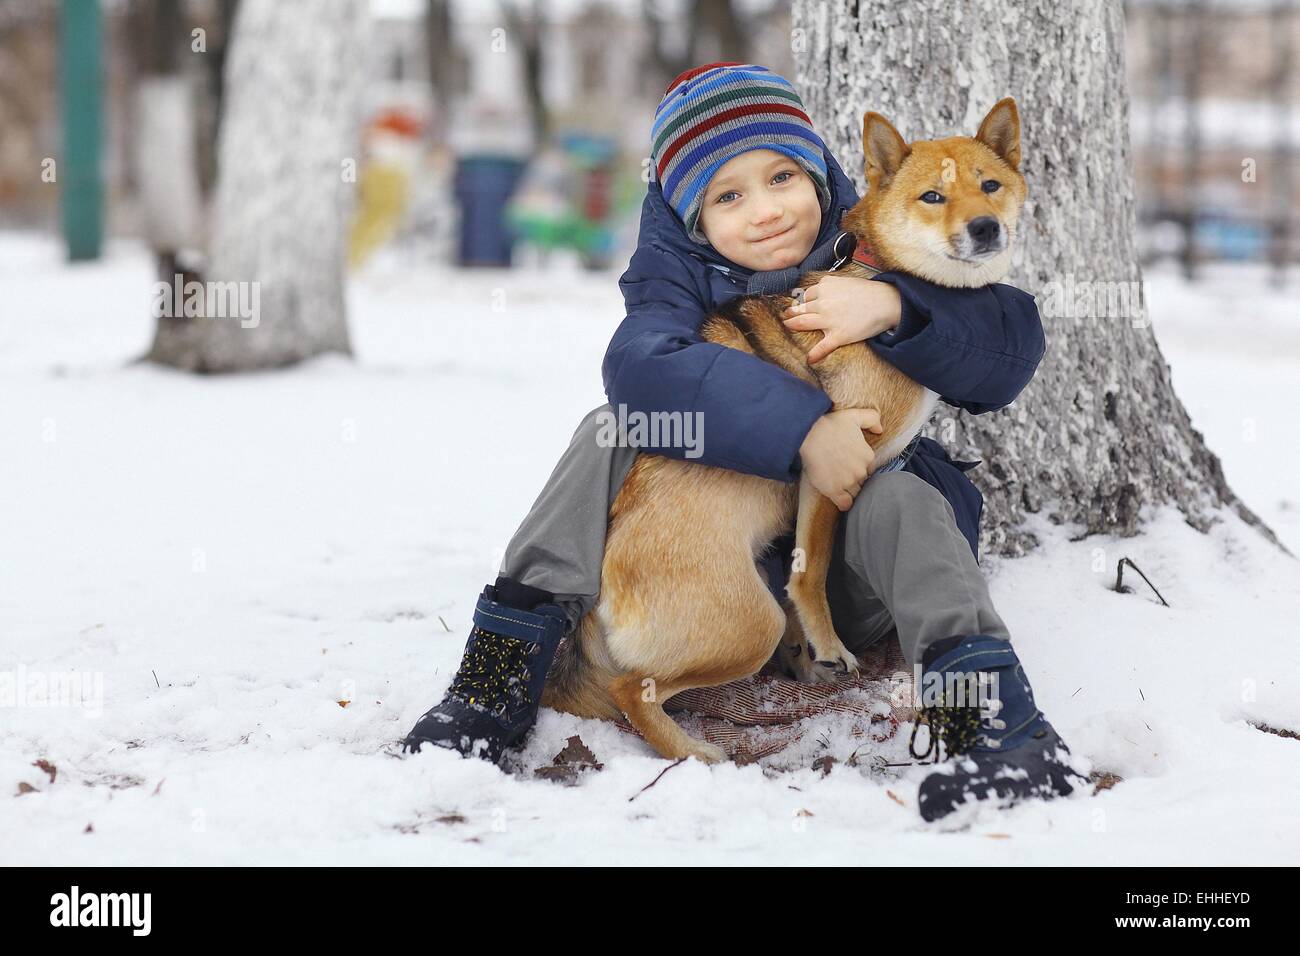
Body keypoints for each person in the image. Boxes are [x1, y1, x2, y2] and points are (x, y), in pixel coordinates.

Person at [403, 63, 1084, 821]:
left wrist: (891, 307)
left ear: (820, 173)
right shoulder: (673, 277)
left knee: (906, 502)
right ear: (693, 217)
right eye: (728, 196)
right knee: (609, 428)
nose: (765, 212)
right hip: (720, 571)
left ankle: (998, 729)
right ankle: (491, 685)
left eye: (782, 176)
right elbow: (639, 367)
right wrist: (805, 428)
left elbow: (1007, 347)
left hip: (850, 572)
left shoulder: (890, 240)